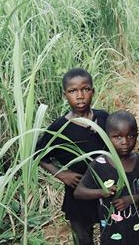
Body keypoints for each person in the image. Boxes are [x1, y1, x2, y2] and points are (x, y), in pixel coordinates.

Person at [36, 68, 109, 245]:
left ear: (93, 91)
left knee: (111, 231)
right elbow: (39, 155)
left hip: (107, 190)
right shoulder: (59, 128)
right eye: (73, 91)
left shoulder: (104, 118)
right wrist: (61, 174)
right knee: (82, 236)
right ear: (64, 95)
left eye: (85, 89)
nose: (80, 95)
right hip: (78, 192)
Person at [74, 110, 139, 245]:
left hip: (138, 233)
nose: (125, 142)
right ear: (107, 137)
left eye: (130, 136)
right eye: (118, 137)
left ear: (137, 135)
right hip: (110, 235)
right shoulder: (99, 164)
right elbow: (79, 192)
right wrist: (102, 192)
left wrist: (132, 199)